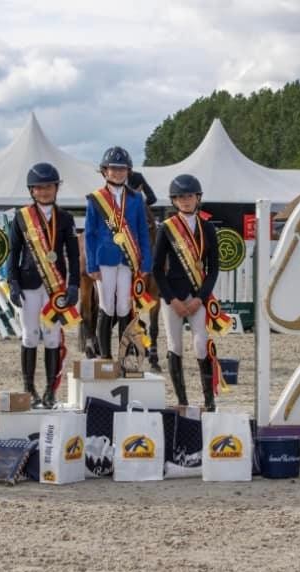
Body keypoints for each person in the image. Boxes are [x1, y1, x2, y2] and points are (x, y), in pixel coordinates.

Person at [7, 162, 80, 408]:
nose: (44, 191)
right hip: (28, 282)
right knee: (29, 335)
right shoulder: (21, 217)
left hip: (54, 287)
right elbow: (13, 252)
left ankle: (50, 390)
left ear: (56, 188)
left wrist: (74, 286)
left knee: (51, 338)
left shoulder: (66, 219)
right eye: (39, 187)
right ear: (32, 190)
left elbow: (73, 254)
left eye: (49, 186)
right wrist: (12, 282)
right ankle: (29, 387)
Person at [153, 174, 222, 411]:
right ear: (174, 200)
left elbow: (214, 269)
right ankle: (182, 400)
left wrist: (200, 299)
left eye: (189, 196)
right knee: (175, 345)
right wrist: (171, 299)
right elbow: (156, 269)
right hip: (172, 296)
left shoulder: (208, 228)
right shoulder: (166, 229)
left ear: (198, 198)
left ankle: (209, 400)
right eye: (180, 197)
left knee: (201, 344)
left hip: (196, 295)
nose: (185, 200)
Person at [84, 146, 153, 359]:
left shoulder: (135, 199)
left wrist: (146, 263)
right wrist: (91, 266)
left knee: (124, 306)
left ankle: (125, 355)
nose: (117, 173)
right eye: (113, 169)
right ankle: (105, 356)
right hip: (104, 259)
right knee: (107, 306)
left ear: (128, 171)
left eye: (122, 169)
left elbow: (142, 231)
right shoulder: (96, 199)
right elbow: (90, 233)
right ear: (105, 171)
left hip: (128, 259)